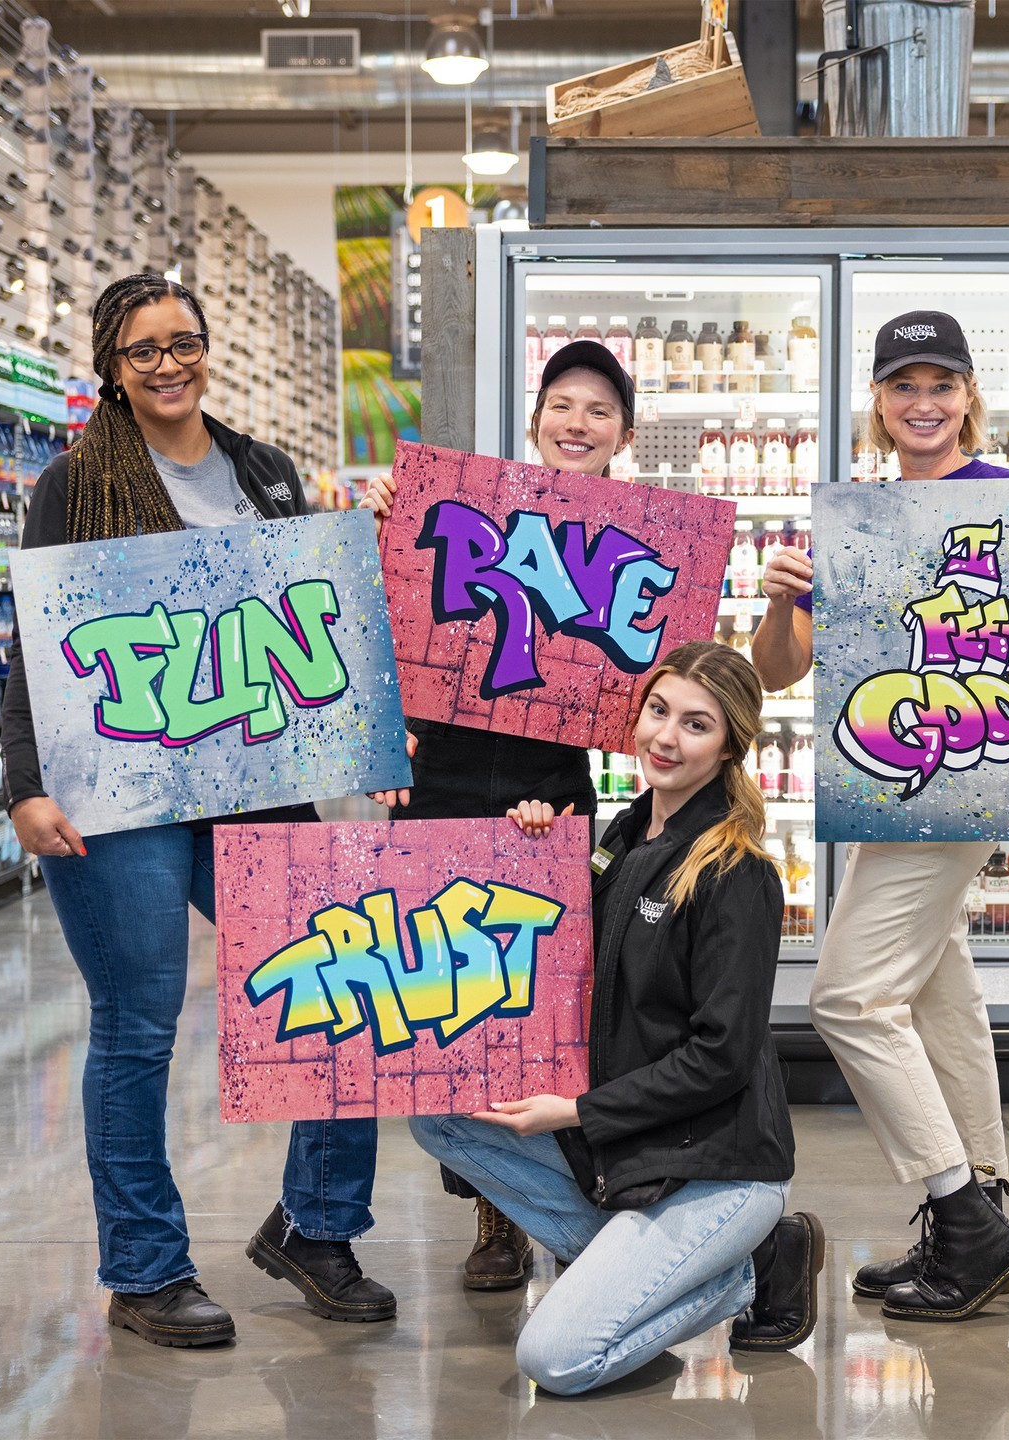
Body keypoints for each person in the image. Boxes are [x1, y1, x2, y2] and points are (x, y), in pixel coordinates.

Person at [2, 273, 408, 1347]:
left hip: (258, 788)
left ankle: (316, 1226)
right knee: (138, 1028)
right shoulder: (73, 486)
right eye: (144, 350)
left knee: (343, 978)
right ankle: (144, 1271)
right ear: (112, 366)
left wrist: (375, 721)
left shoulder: (263, 471)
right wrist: (26, 785)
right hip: (116, 796)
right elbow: (39, 651)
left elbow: (309, 620)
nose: (169, 363)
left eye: (184, 341)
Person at [752, 310, 1009, 1323]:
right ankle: (981, 1205)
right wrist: (777, 597)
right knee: (932, 993)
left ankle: (961, 1212)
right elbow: (779, 671)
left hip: (975, 776)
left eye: (941, 383)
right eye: (903, 385)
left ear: (969, 398)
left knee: (845, 998)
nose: (923, 402)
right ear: (877, 404)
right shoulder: (857, 520)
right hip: (887, 780)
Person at [409, 641, 822, 1395]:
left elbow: (723, 1058)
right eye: (658, 712)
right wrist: (525, 851)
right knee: (441, 1117)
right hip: (633, 1146)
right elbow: (559, 964)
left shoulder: (737, 872)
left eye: (695, 725)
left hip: (714, 1168)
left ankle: (749, 1276)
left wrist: (576, 1111)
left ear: (729, 744)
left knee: (554, 1360)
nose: (666, 737)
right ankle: (661, 1266)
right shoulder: (621, 841)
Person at [360, 340, 639, 1292]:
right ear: (535, 422)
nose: (577, 423)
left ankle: (537, 1198)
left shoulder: (637, 546)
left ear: (623, 436)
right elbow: (389, 629)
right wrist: (387, 534)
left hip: (546, 792)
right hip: (439, 782)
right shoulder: (467, 512)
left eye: (599, 411)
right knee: (447, 1008)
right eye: (562, 403)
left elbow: (644, 690)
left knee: (531, 1010)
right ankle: (493, 1212)